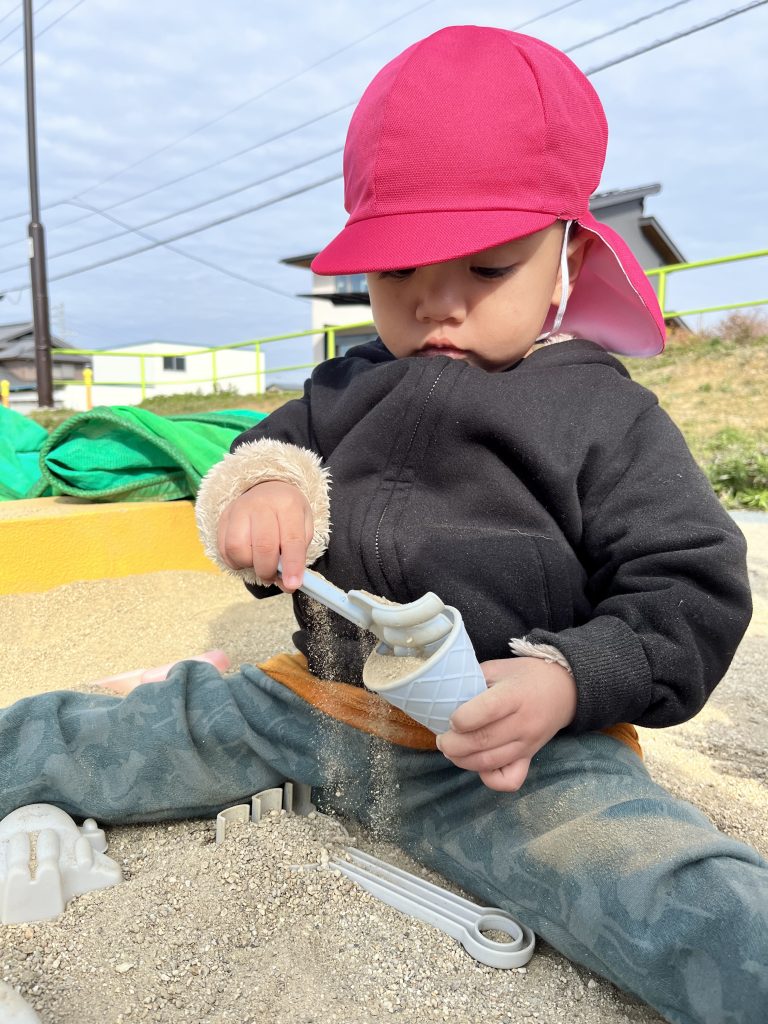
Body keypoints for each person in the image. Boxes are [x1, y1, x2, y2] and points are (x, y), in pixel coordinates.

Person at [1, 26, 765, 1024]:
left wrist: (570, 676)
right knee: (87, 735)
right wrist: (260, 496)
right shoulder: (345, 385)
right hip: (311, 702)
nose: (437, 303)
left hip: (510, 758)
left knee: (678, 895)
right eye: (399, 270)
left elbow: (689, 587)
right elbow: (260, 459)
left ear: (568, 256)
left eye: (487, 267)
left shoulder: (605, 415)